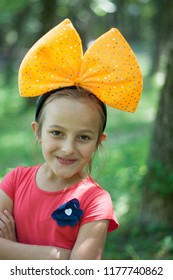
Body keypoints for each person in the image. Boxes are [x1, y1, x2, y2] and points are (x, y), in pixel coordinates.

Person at [0, 19, 143, 260]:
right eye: (56, 133)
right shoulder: (14, 182)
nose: (68, 149)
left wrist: (10, 251)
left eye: (84, 137)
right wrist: (58, 256)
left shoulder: (96, 201)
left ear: (99, 141)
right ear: (37, 131)